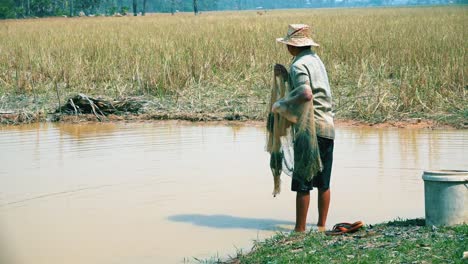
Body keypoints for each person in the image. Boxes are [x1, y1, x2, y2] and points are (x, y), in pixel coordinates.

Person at [272, 24, 335, 233]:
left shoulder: (298, 65)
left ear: (292, 46)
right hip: (327, 127)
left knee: (303, 183)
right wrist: (286, 77)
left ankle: (299, 231)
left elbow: (306, 93)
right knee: (323, 182)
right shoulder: (316, 60)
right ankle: (321, 227)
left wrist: (281, 104)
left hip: (310, 130)